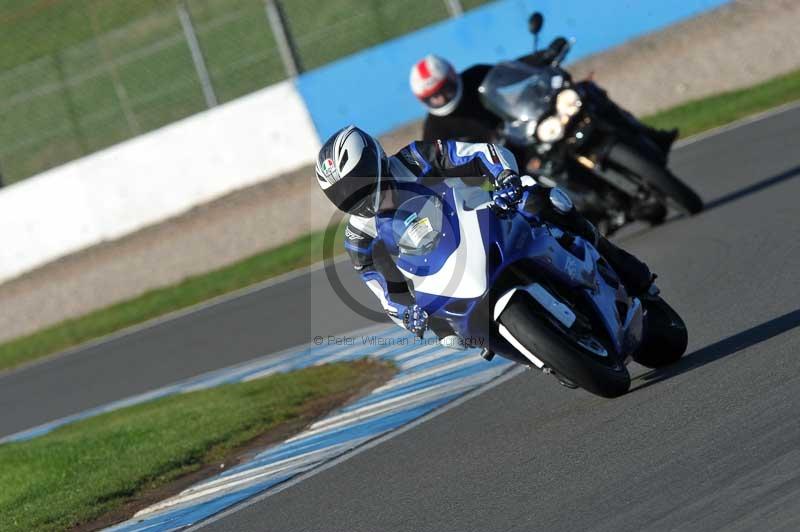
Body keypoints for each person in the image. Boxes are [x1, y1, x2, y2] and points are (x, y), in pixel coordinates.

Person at [315, 125, 654, 337]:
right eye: (344, 193)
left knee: (549, 203)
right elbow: (376, 281)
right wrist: (403, 311)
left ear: (375, 161)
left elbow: (478, 152)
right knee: (452, 334)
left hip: (490, 212)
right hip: (447, 268)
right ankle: (536, 347)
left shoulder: (416, 158)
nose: (355, 196)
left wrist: (504, 177)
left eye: (357, 183)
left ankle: (631, 274)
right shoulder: (358, 235)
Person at [409, 54, 677, 157]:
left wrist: (544, 57)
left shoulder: (476, 75)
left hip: (527, 123)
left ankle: (651, 135)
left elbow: (513, 72)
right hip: (508, 159)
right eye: (433, 96)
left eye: (443, 90)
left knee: (586, 93)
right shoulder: (434, 129)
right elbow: (440, 162)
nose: (441, 99)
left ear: (453, 76)